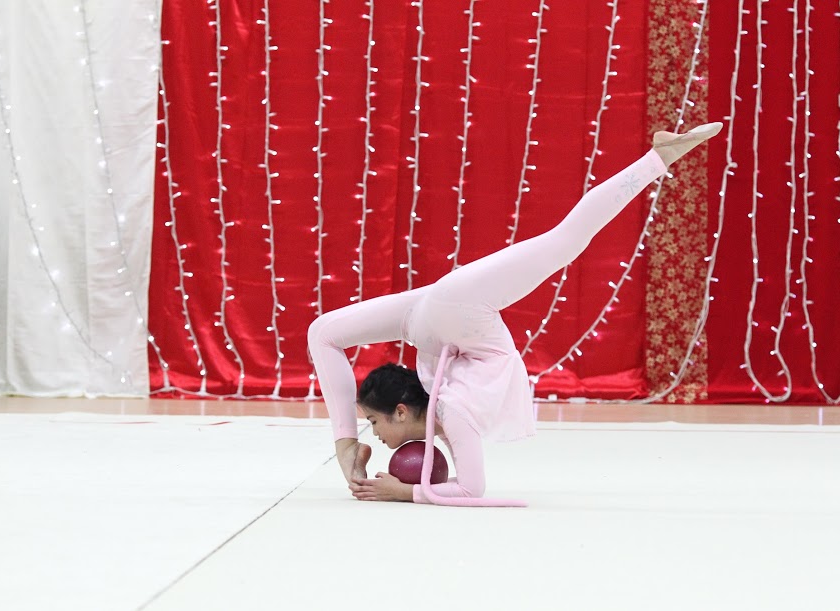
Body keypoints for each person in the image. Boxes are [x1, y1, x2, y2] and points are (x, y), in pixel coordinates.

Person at [307, 123, 723, 503]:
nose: (376, 435)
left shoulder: (449, 409)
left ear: (401, 410)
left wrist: (407, 493)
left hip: (450, 308)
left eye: (374, 425)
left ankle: (658, 158)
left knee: (563, 241)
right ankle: (343, 447)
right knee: (322, 331)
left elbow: (472, 490)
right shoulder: (447, 410)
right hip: (431, 313)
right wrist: (411, 488)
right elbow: (472, 487)